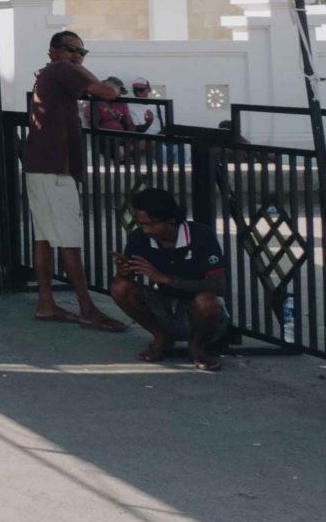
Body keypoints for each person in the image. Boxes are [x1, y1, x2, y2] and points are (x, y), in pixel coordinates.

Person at [24, 29, 124, 332]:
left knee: (43, 238)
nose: (77, 56)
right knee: (69, 241)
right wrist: (113, 83)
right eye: (71, 49)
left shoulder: (53, 73)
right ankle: (87, 308)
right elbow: (108, 93)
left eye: (82, 52)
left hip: (40, 164)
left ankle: (46, 303)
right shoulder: (63, 69)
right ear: (54, 51)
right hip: (56, 168)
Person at [110, 186, 230, 370]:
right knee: (120, 287)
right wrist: (123, 270)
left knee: (206, 301)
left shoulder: (201, 236)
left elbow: (218, 287)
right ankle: (160, 337)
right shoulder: (139, 238)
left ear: (172, 219)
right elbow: (128, 278)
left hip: (199, 310)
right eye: (142, 224)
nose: (146, 230)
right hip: (165, 305)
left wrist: (163, 279)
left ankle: (196, 344)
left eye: (151, 224)